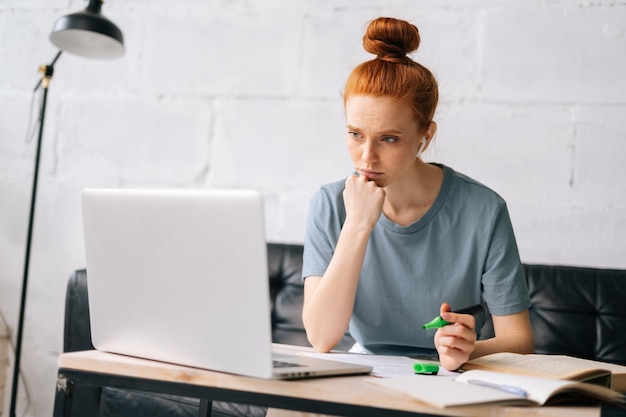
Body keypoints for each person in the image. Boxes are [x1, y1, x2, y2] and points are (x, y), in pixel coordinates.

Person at [301, 16, 535, 373]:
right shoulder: (330, 204)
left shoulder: (483, 210)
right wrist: (358, 226)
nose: (367, 157)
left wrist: (465, 349)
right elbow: (321, 337)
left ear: (425, 136)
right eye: (355, 134)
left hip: (450, 374)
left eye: (389, 138)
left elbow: (519, 339)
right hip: (363, 372)